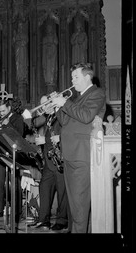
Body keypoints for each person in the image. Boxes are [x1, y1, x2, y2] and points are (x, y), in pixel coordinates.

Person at [52, 63, 106, 233]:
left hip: (82, 155)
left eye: (76, 77)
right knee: (74, 206)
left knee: (80, 207)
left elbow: (86, 116)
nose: (72, 80)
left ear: (87, 77)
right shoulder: (76, 98)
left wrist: (65, 102)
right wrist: (57, 107)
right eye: (72, 77)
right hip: (70, 155)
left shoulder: (96, 93)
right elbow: (65, 122)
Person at [31, 95, 69, 232]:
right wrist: (43, 140)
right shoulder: (49, 118)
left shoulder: (62, 114)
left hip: (60, 161)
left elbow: (67, 133)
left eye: (45, 104)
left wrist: (45, 141)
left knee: (62, 193)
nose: (42, 108)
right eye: (41, 105)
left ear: (52, 103)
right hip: (49, 161)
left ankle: (62, 221)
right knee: (44, 189)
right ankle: (43, 220)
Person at [0, 98, 26, 223]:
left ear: (9, 108)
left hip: (12, 155)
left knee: (14, 185)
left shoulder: (17, 118)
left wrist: (7, 123)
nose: (1, 113)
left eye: (3, 111)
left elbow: (19, 135)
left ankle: (17, 212)